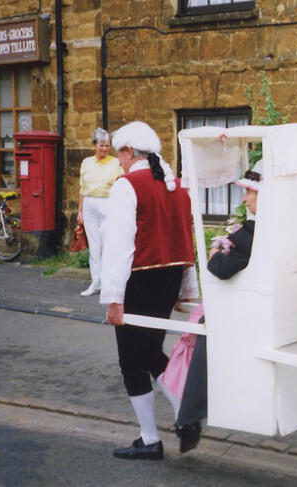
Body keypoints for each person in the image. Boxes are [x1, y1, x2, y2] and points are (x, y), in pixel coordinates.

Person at [100, 121, 198, 460]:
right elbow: (186, 238)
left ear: (129, 152)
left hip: (138, 280)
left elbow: (119, 247)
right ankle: (178, 416)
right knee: (147, 350)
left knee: (133, 358)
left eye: (119, 155)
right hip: (167, 278)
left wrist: (114, 299)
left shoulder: (128, 186)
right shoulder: (176, 186)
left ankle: (157, 432)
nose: (119, 163)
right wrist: (187, 288)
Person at [174, 161, 263, 454]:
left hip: (242, 313)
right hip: (257, 306)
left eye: (250, 192)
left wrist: (213, 253)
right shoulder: (271, 228)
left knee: (203, 338)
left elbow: (220, 269)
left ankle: (188, 419)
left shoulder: (248, 234)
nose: (245, 198)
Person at [77, 128, 122, 296]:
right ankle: (95, 282)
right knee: (94, 246)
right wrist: (80, 210)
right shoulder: (86, 162)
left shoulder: (116, 163)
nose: (104, 149)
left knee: (108, 245)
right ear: (95, 145)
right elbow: (82, 188)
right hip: (89, 204)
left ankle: (108, 282)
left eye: (107, 146)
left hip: (107, 203)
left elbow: (121, 186)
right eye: (101, 145)